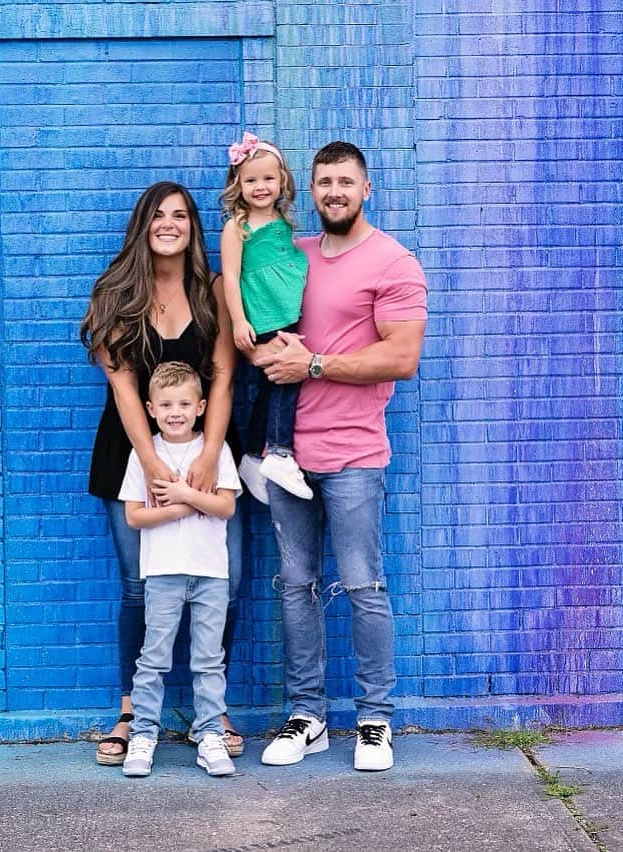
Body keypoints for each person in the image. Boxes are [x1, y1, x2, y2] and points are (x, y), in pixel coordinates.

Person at [254, 141, 427, 772]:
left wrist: (316, 363)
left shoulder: (394, 262)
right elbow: (240, 293)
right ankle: (308, 716)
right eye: (324, 181)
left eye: (345, 181)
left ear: (366, 188)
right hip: (286, 458)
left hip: (354, 455)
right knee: (295, 585)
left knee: (362, 584)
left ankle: (374, 719)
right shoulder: (291, 254)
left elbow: (401, 357)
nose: (334, 191)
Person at [80, 182, 245, 765]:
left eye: (180, 215)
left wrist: (207, 454)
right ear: (143, 225)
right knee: (137, 588)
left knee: (225, 582)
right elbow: (122, 383)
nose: (169, 224)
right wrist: (150, 461)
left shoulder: (214, 291)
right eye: (159, 215)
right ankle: (131, 710)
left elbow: (223, 376)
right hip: (129, 452)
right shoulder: (116, 292)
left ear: (192, 226)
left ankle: (212, 709)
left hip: (208, 447)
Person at [118, 362, 242, 777]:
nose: (176, 411)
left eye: (185, 403)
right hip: (163, 571)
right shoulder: (145, 455)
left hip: (210, 572)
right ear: (150, 408)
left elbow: (226, 506)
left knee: (208, 661)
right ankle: (143, 734)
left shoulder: (215, 450)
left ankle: (209, 735)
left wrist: (183, 494)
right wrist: (187, 507)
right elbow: (135, 517)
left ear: (202, 406)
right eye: (167, 404)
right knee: (154, 658)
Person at [220, 132, 312, 504]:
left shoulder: (282, 222)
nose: (260, 187)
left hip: (286, 309)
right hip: (263, 312)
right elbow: (230, 277)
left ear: (282, 182)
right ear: (238, 185)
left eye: (268, 179)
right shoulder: (237, 227)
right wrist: (239, 321)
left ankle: (254, 458)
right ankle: (280, 451)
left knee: (269, 388)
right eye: (251, 180)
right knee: (286, 381)